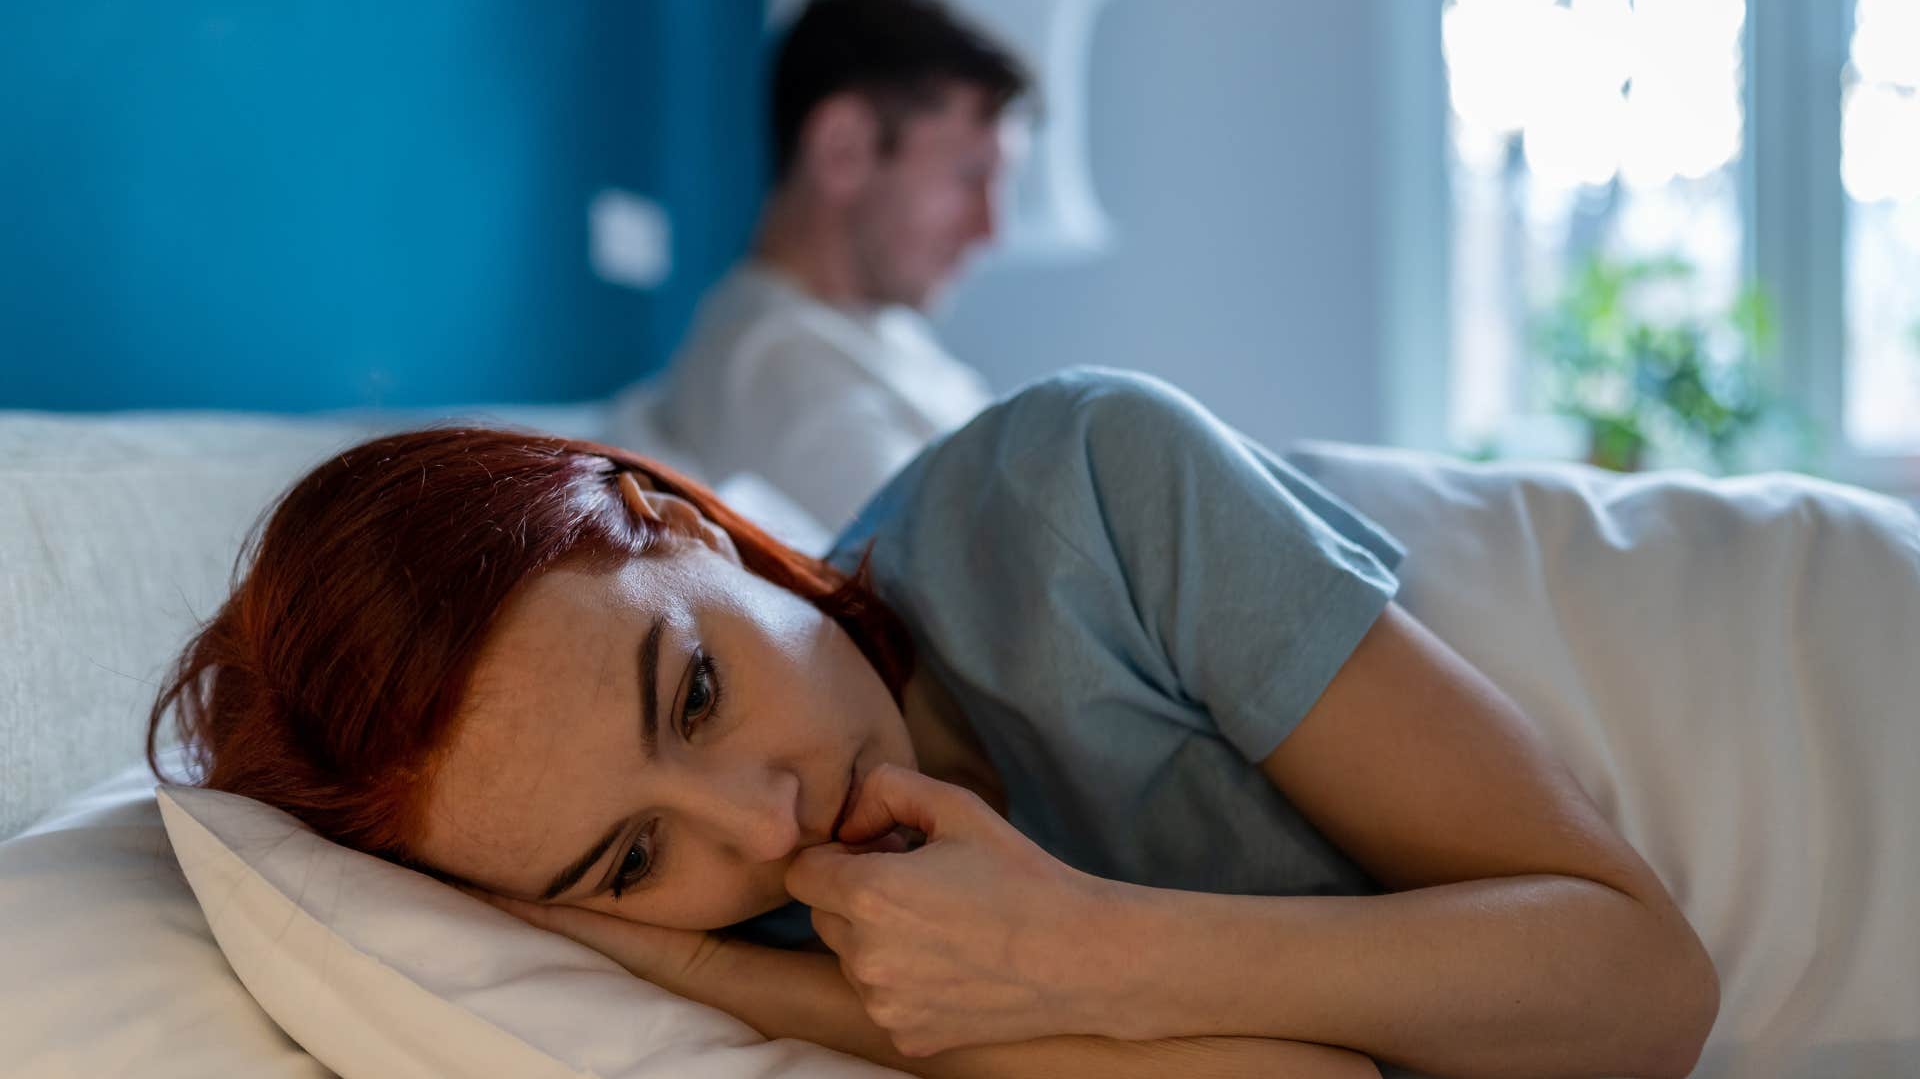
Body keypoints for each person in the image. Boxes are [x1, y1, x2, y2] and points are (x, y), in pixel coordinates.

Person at [148, 368, 1720, 1079]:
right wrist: (689, 961)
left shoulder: (1082, 496)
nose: (764, 827)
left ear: (677, 522)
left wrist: (1083, 953)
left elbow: (1643, 991)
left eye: (694, 689)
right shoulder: (763, 925)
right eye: (630, 859)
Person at [649, 0, 1030, 533]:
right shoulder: (778, 370)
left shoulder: (879, 334)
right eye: (970, 175)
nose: (991, 230)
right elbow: (959, 596)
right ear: (843, 148)